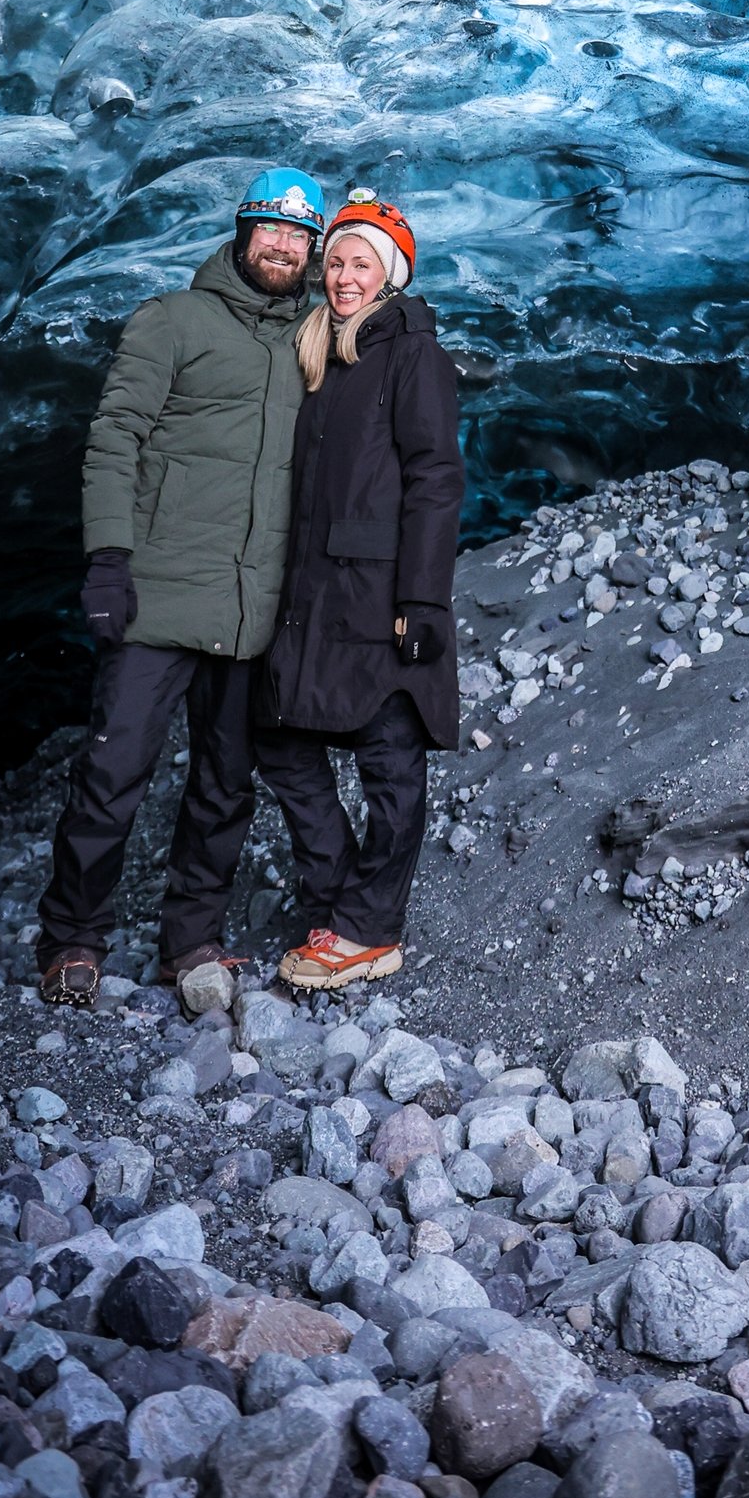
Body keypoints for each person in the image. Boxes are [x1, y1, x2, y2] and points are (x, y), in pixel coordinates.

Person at [34, 167, 324, 1013]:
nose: (282, 245)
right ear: (242, 233)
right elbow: (112, 440)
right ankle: (72, 939)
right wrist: (108, 562)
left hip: (252, 607)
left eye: (297, 235)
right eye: (269, 228)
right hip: (158, 596)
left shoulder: (311, 340)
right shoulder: (173, 321)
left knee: (224, 785)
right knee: (112, 773)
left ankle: (190, 942)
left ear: (311, 249)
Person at [259, 193, 463, 991]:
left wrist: (423, 601)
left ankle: (370, 930)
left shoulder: (413, 355)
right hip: (315, 601)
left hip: (379, 602)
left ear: (391, 278)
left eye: (361, 265)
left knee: (389, 761)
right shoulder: (324, 353)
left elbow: (436, 478)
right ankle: (339, 896)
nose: (344, 277)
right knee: (278, 742)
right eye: (336, 262)